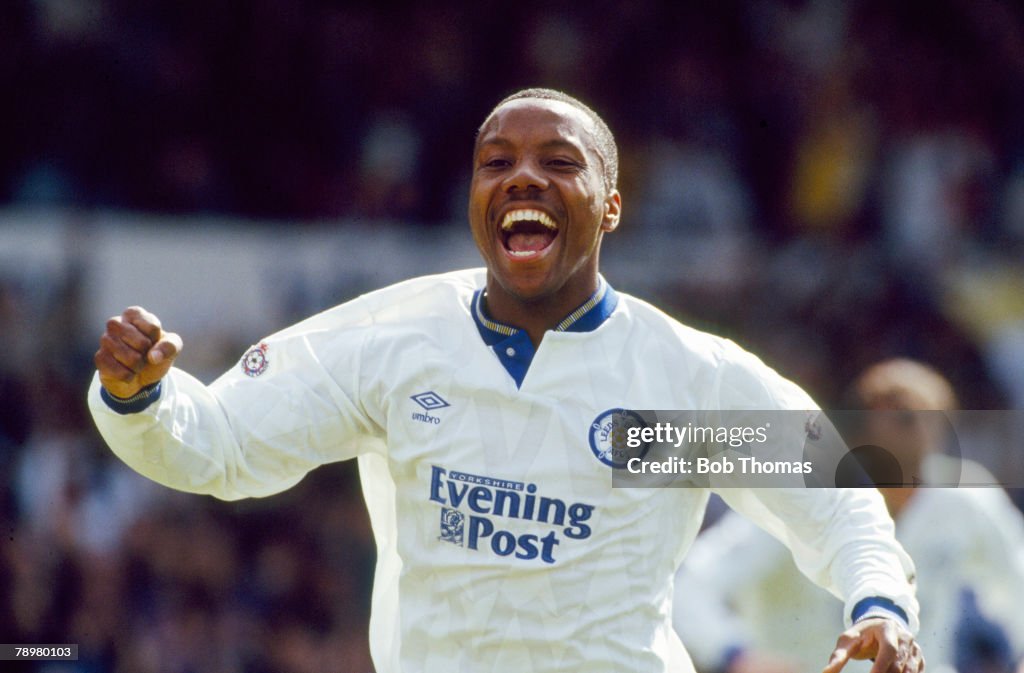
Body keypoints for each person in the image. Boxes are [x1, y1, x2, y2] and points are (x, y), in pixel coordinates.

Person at [89, 88, 924, 673]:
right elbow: (223, 443)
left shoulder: (672, 388)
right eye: (497, 162)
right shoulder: (394, 342)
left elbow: (835, 497)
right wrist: (138, 397)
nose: (522, 177)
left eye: (559, 161)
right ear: (475, 197)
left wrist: (880, 605)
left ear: (610, 207)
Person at [674, 359, 1024, 673]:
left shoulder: (965, 499)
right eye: (897, 413)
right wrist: (735, 655)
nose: (911, 428)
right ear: (860, 426)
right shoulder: (806, 496)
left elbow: (1015, 577)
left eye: (921, 416)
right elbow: (690, 586)